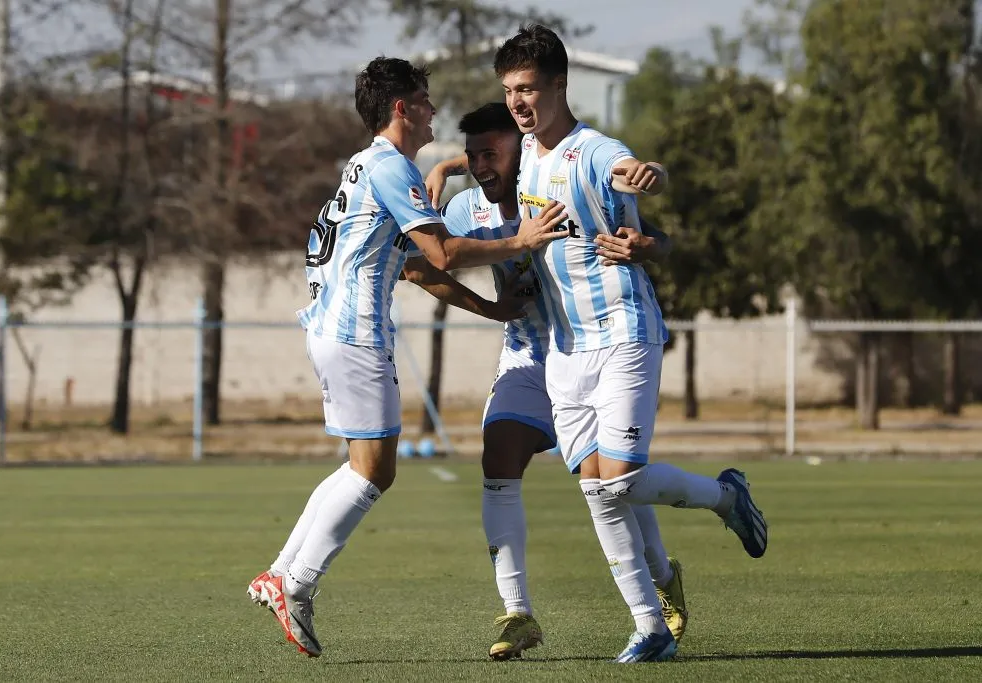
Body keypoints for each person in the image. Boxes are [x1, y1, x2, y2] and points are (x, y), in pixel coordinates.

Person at [245, 56, 569, 658]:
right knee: (375, 470)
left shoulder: (369, 165)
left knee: (358, 465)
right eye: (424, 100)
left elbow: (418, 266)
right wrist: (519, 242)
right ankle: (297, 584)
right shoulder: (389, 166)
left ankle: (281, 572)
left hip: (331, 329)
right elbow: (442, 253)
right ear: (402, 108)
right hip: (355, 332)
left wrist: (494, 310)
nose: (432, 110)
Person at [492, 25, 769, 663]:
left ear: (560, 85)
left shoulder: (593, 150)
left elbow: (637, 171)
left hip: (623, 333)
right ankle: (650, 626)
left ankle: (726, 496)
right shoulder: (527, 154)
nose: (518, 102)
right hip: (565, 348)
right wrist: (449, 166)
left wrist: (651, 177)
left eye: (528, 88)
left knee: (617, 482)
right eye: (510, 90)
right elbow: (484, 149)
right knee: (597, 490)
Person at [426, 102, 688, 661]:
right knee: (499, 458)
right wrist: (492, 308)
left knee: (613, 478)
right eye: (472, 156)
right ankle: (517, 613)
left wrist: (650, 247)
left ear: (520, 152)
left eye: (489, 155)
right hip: (527, 353)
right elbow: (423, 263)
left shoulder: (551, 182)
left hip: (591, 346)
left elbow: (654, 232)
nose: (479, 167)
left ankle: (663, 577)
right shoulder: (467, 207)